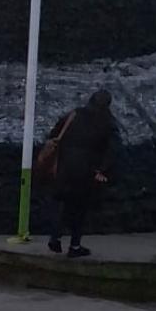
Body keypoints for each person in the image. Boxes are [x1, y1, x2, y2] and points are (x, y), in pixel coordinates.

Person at [47, 90, 116, 258]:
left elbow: (54, 134)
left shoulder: (74, 115)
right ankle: (75, 246)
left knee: (63, 204)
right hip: (87, 171)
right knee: (80, 210)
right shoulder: (107, 122)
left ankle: (55, 237)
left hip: (65, 168)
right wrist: (103, 170)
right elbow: (111, 150)